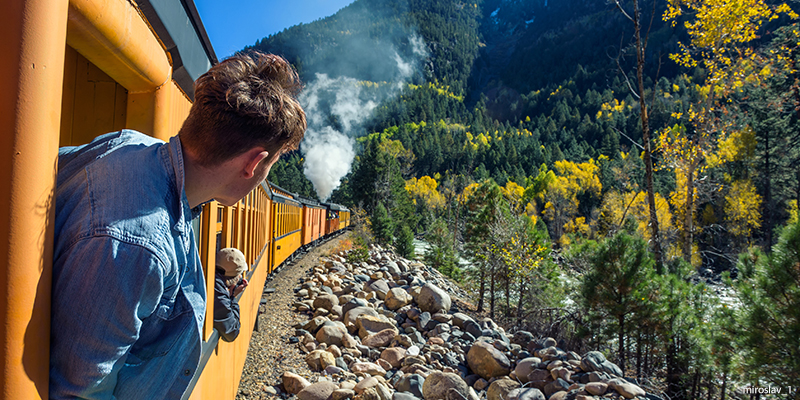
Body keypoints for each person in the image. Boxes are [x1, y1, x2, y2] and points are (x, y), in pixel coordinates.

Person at [50, 52, 306, 399]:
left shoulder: (129, 144)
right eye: (271, 163)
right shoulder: (137, 246)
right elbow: (79, 393)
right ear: (254, 162)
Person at [213, 248, 249, 342]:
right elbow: (232, 333)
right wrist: (232, 297)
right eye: (239, 274)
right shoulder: (217, 290)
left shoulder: (211, 277)